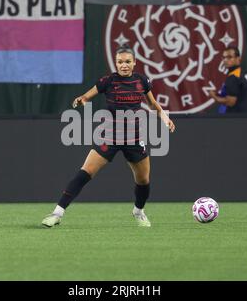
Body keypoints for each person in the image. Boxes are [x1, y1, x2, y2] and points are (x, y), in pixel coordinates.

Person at [41, 45, 175, 228]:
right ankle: (57, 213)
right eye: (120, 62)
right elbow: (87, 96)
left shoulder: (142, 81)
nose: (124, 65)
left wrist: (165, 118)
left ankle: (139, 211)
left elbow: (153, 104)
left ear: (135, 63)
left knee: (143, 181)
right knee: (84, 172)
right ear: (116, 63)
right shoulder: (108, 81)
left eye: (128, 61)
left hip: (135, 138)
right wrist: (82, 100)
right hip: (110, 136)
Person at [209, 46, 247, 113]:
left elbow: (230, 102)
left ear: (238, 59)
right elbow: (240, 96)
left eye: (229, 57)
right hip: (245, 117)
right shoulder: (244, 73)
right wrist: (219, 94)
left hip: (235, 119)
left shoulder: (234, 77)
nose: (225, 60)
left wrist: (214, 96)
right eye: (224, 57)